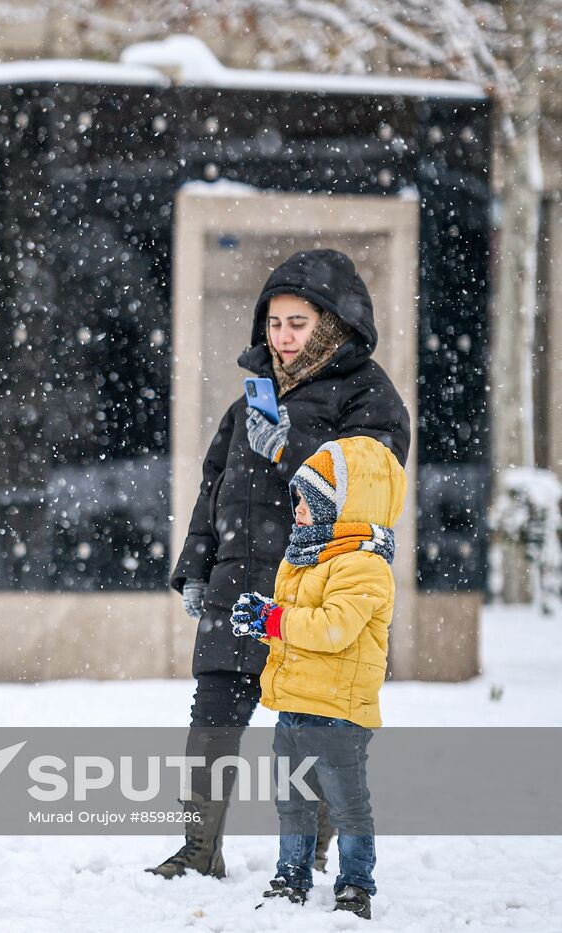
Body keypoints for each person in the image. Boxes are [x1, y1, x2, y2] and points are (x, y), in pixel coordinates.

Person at [149, 249, 409, 880]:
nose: (283, 336)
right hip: (238, 585)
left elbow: (374, 483)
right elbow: (215, 493)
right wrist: (195, 569)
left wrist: (293, 448)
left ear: (330, 322)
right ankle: (197, 849)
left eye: (297, 322)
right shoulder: (247, 407)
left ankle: (313, 857)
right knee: (212, 717)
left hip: (315, 590)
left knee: (314, 728)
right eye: (273, 323)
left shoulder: (367, 394)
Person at [231, 434, 404, 919]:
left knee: (346, 803)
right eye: (299, 497)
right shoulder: (306, 555)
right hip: (296, 703)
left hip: (338, 711)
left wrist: (274, 621)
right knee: (293, 800)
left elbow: (332, 629)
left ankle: (355, 883)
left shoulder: (365, 564)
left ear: (342, 505)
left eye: (312, 499)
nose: (299, 507)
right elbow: (296, 628)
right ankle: (292, 874)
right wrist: (264, 621)